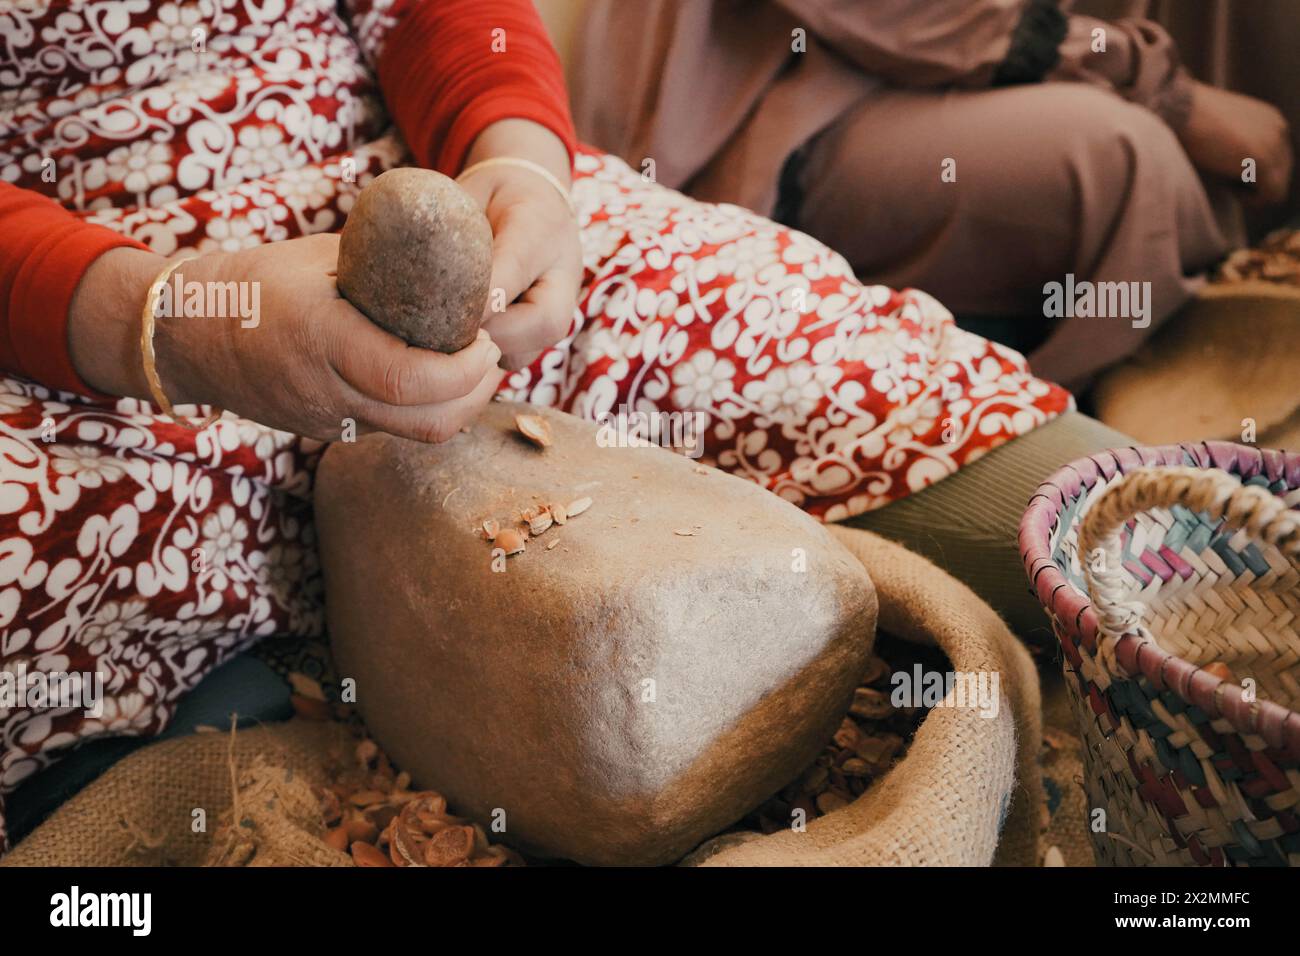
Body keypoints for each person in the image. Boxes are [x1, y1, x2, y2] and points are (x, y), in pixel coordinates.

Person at [0, 0, 1122, 851]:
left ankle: (275, 650)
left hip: (438, 201)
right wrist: (165, 324)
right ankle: (223, 690)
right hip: (84, 320)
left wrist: (518, 163)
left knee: (1081, 510)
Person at [569, 0, 1294, 392]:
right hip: (795, 96)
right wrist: (1167, 92)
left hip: (962, 58)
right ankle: (1061, 461)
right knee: (1117, 160)